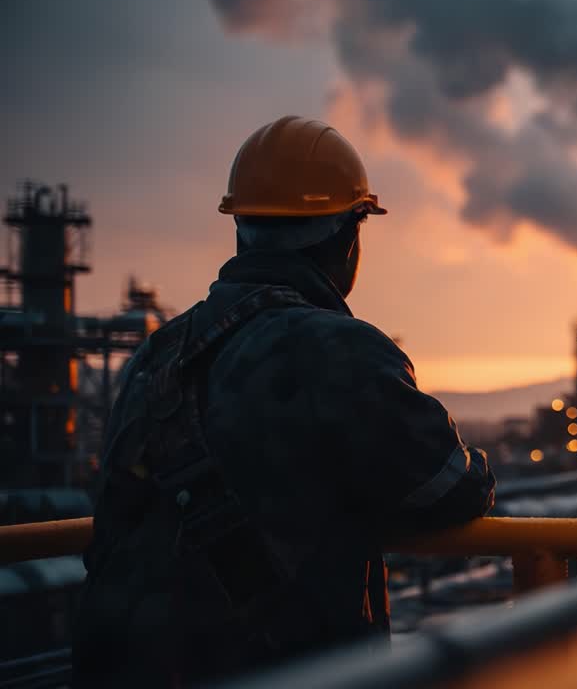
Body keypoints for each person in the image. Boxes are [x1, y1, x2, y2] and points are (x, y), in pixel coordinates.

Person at [72, 116, 495, 686]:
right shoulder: (339, 348)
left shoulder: (156, 356)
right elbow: (451, 487)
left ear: (240, 228)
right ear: (349, 235)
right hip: (289, 671)